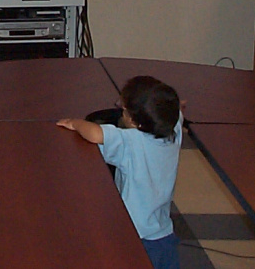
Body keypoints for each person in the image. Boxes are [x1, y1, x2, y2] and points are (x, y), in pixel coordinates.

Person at [57, 75, 183, 269]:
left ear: (134, 121)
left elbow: (96, 133)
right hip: (162, 230)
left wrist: (75, 123)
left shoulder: (131, 142)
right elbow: (177, 113)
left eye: (123, 109)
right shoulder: (173, 131)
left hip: (134, 234)